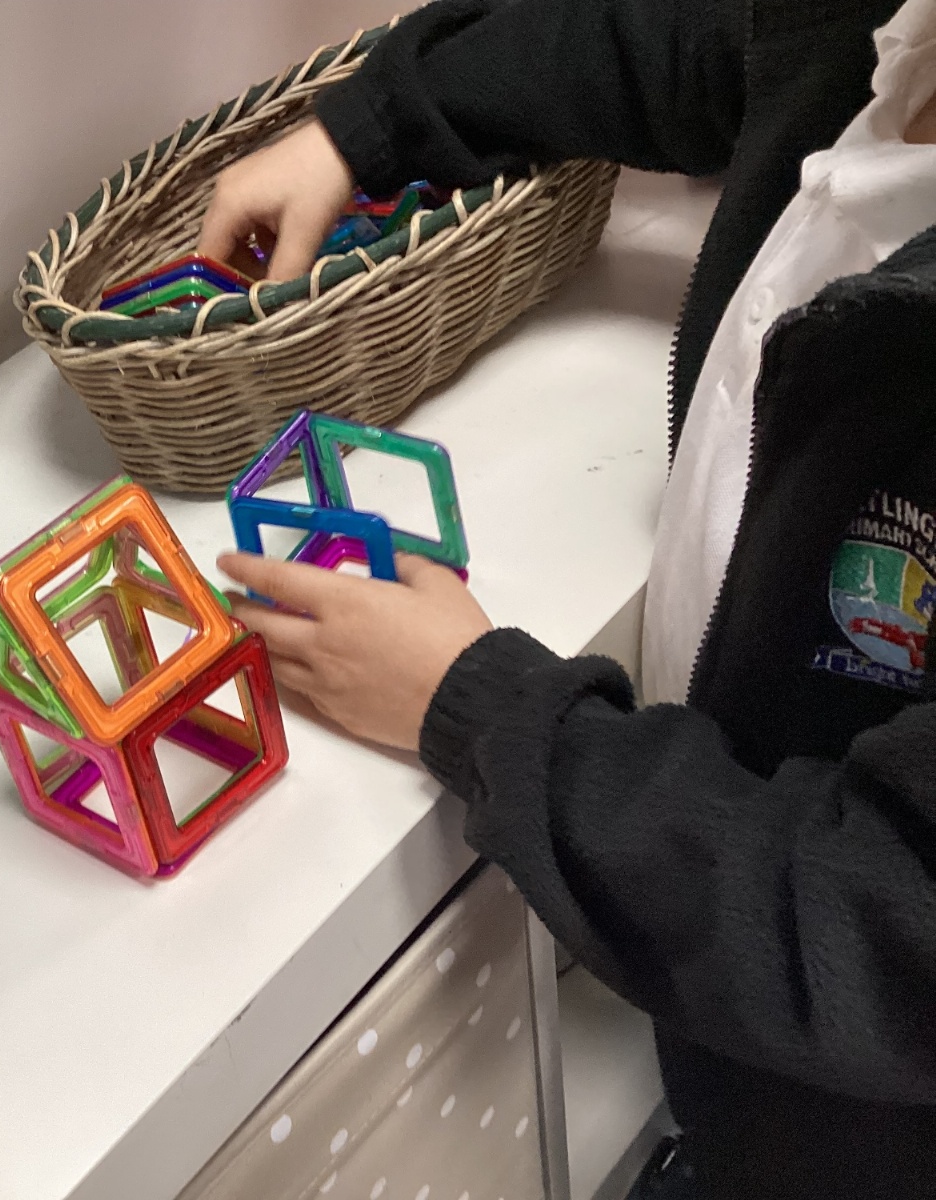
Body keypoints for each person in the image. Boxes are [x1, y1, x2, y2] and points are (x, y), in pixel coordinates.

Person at [199, 1, 936, 1197]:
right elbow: (653, 43)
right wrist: (359, 129)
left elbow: (878, 929)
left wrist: (478, 707)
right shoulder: (875, 35)